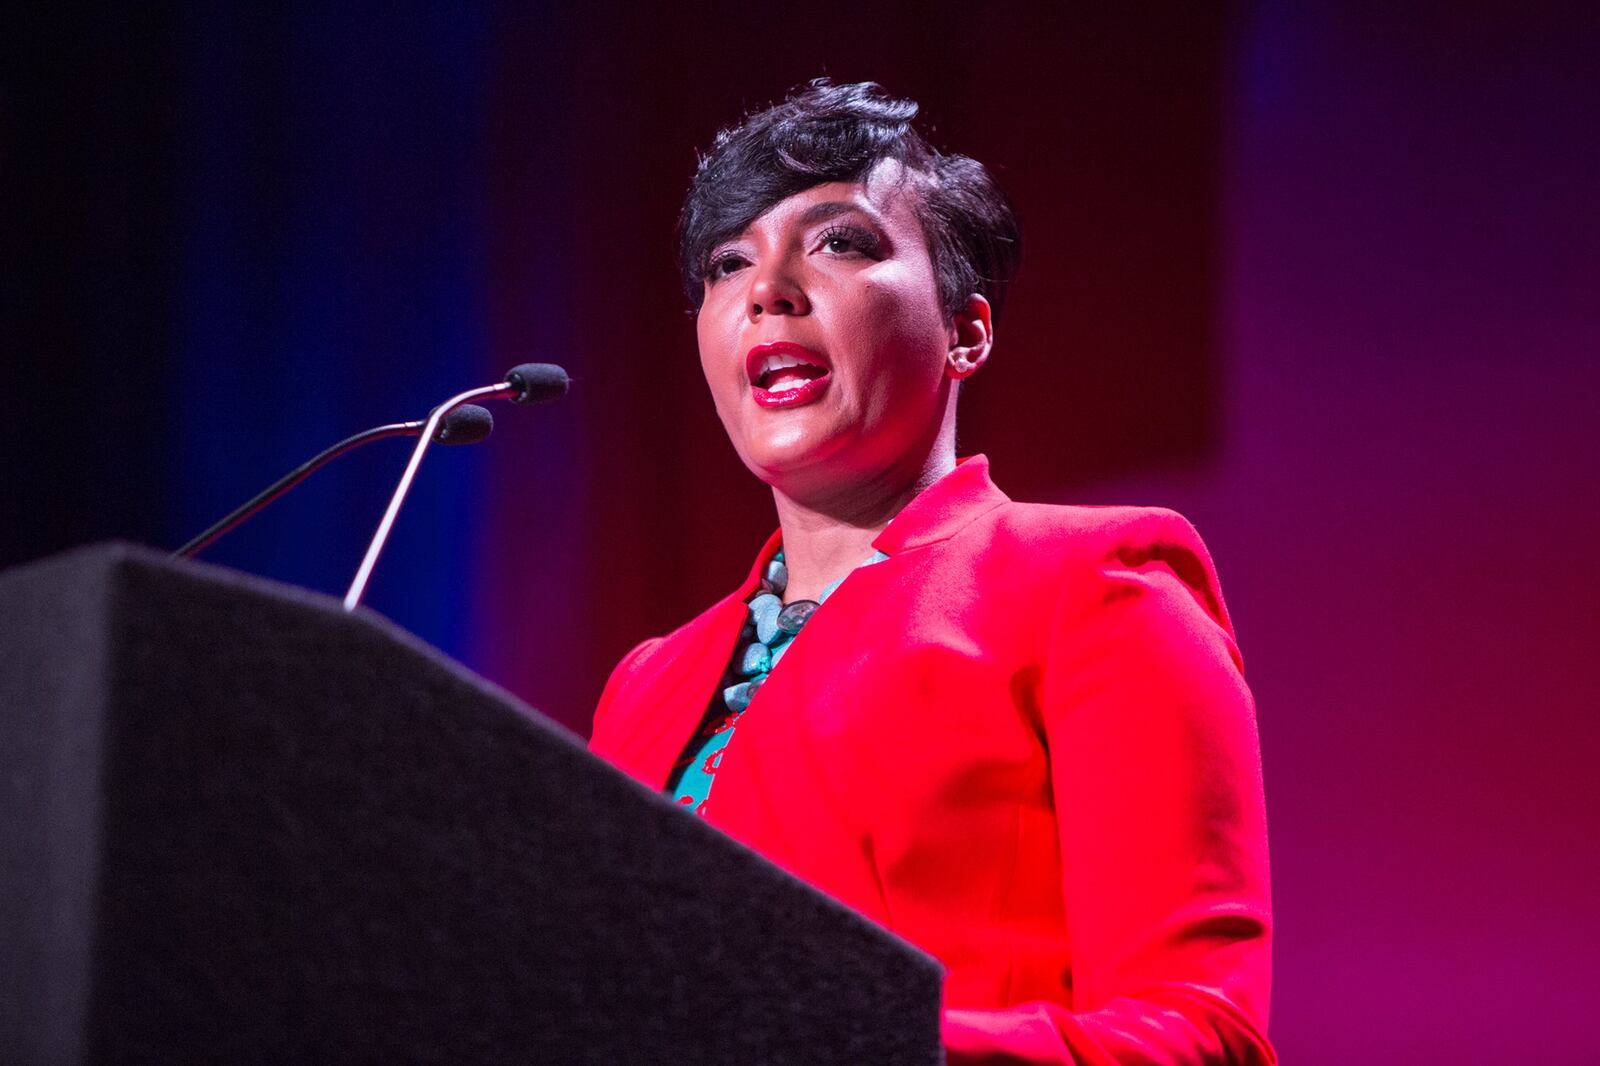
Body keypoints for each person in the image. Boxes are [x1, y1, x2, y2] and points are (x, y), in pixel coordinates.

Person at [588, 79, 1275, 1065]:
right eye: (726, 263)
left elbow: (1197, 1033)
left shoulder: (1094, 583)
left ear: (965, 331)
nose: (764, 288)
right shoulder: (645, 684)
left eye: (839, 243)